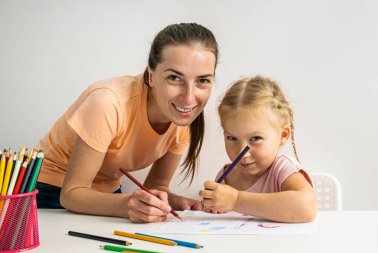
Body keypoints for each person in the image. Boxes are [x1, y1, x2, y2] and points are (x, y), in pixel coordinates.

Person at [36, 23, 219, 223]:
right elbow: (71, 195)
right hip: (49, 194)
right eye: (174, 78)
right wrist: (126, 205)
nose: (189, 98)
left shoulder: (183, 116)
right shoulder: (107, 102)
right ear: (151, 76)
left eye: (202, 81)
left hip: (106, 196)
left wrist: (171, 201)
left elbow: (157, 186)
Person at [199, 76, 317, 223]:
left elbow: (306, 207)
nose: (242, 152)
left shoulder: (282, 169)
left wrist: (236, 200)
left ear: (283, 135)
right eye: (232, 138)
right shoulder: (225, 177)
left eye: (255, 139)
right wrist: (211, 206)